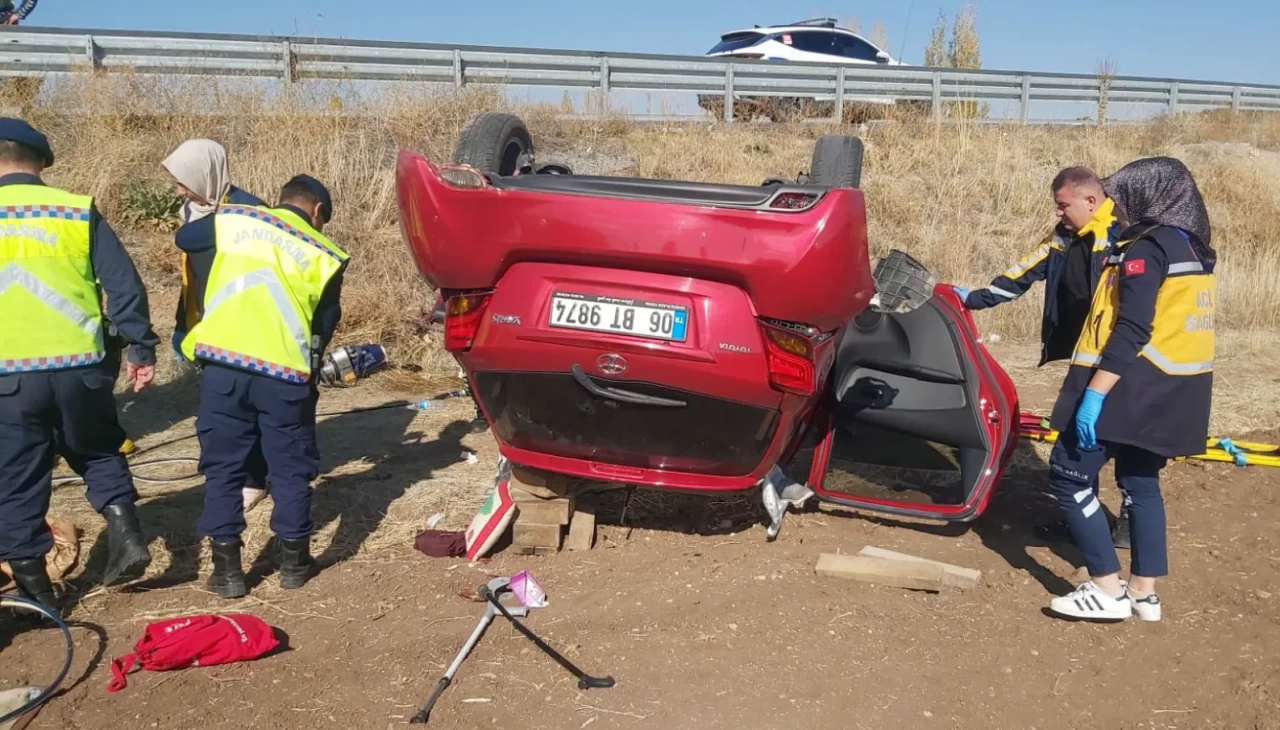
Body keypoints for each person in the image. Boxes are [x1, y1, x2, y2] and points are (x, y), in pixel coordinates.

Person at [1044, 157, 1215, 622]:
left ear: (1147, 195)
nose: (1117, 204)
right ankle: (1143, 592)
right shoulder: (1190, 247)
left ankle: (1105, 588)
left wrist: (1094, 394)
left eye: (1123, 195)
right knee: (1141, 482)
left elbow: (1134, 328)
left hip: (1130, 385)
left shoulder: (1147, 248)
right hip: (1174, 388)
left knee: (1068, 474)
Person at [0, 118, 160, 609]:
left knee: (16, 478)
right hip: (82, 368)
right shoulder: (75, 211)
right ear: (41, 162)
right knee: (98, 448)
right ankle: (126, 534)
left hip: (9, 378)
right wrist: (140, 345)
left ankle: (37, 598)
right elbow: (124, 284)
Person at [180, 175, 348, 599]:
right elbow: (324, 325)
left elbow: (186, 238)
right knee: (291, 469)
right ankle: (294, 564)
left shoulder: (237, 218)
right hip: (285, 375)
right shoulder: (325, 252)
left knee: (223, 469)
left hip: (223, 365)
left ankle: (228, 571)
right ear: (317, 211)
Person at [954, 166, 1133, 548]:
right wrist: (975, 298)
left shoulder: (1122, 234)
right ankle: (1085, 520)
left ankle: (1130, 523)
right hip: (1084, 353)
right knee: (1082, 438)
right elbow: (1025, 271)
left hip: (1123, 355)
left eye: (1062, 205)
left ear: (1090, 200)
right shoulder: (1063, 236)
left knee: (1124, 437)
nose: (1058, 212)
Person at [161, 138, 271, 513]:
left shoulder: (249, 211)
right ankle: (227, 474)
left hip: (245, 324)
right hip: (208, 323)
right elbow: (191, 273)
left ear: (205, 175)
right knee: (218, 411)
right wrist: (182, 325)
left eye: (184, 181)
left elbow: (188, 240)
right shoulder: (193, 209)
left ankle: (253, 478)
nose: (180, 191)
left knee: (245, 408)